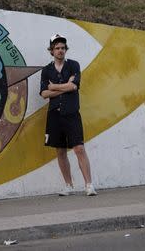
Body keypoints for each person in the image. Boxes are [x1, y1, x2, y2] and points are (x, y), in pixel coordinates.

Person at [40, 34, 97, 196]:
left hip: (71, 114)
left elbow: (74, 87)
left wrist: (54, 87)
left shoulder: (73, 65)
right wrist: (65, 86)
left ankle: (89, 185)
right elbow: (44, 93)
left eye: (63, 48)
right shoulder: (46, 70)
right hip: (54, 115)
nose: (60, 51)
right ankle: (68, 185)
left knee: (79, 148)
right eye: (57, 48)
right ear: (51, 51)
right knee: (60, 151)